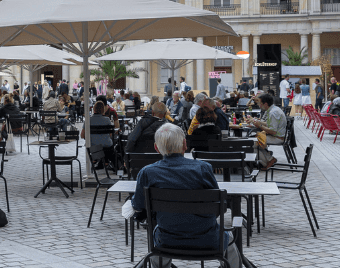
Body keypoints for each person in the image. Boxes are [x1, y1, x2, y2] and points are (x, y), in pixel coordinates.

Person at [131, 124, 242, 267]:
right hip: (208, 239)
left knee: (157, 235)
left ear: (156, 148)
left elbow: (138, 206)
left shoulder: (147, 172)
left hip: (166, 240)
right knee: (229, 239)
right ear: (185, 144)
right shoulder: (203, 168)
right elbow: (219, 208)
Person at [249, 93, 287, 169]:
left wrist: (259, 126)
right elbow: (269, 124)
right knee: (255, 140)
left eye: (260, 103)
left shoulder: (273, 112)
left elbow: (273, 131)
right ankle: (269, 159)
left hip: (278, 137)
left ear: (265, 104)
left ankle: (267, 162)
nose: (259, 105)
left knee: (251, 144)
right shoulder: (274, 109)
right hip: (277, 135)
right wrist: (258, 122)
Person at [83, 101, 117, 168]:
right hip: (107, 146)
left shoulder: (88, 120)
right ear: (103, 110)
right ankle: (109, 164)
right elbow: (110, 134)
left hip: (93, 148)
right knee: (113, 144)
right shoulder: (107, 120)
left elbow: (82, 135)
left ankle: (101, 163)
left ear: (94, 109)